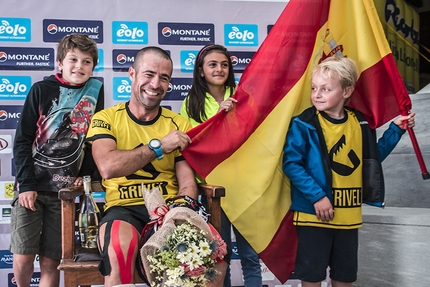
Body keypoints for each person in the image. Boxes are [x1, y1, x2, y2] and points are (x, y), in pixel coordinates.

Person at [85, 46, 227, 287]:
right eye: (149, 74)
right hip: (124, 208)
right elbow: (108, 166)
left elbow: (187, 183)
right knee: (120, 253)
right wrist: (159, 145)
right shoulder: (105, 118)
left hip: (169, 210)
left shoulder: (178, 124)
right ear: (132, 74)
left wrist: (180, 211)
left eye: (164, 78)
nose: (155, 83)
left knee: (214, 258)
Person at [282, 56, 415, 287]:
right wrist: (318, 197)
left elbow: (371, 159)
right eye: (314, 88)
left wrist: (396, 130)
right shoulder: (303, 123)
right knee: (311, 276)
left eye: (326, 89)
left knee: (344, 277)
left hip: (349, 217)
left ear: (346, 91)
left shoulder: (360, 122)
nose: (317, 94)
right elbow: (292, 164)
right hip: (315, 217)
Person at [11, 33, 104, 287]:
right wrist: (27, 185)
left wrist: (83, 174)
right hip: (33, 187)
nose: (80, 66)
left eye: (87, 62)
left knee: (52, 262)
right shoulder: (41, 90)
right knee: (23, 256)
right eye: (73, 59)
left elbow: (92, 139)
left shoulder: (95, 91)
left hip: (63, 192)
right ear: (60, 62)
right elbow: (22, 141)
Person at [180, 43, 263, 287]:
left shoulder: (243, 96)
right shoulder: (191, 103)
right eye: (213, 64)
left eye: (224, 65)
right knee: (220, 255)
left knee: (250, 255)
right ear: (201, 70)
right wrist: (219, 117)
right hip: (214, 189)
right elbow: (191, 144)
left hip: (245, 187)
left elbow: (254, 137)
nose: (219, 69)